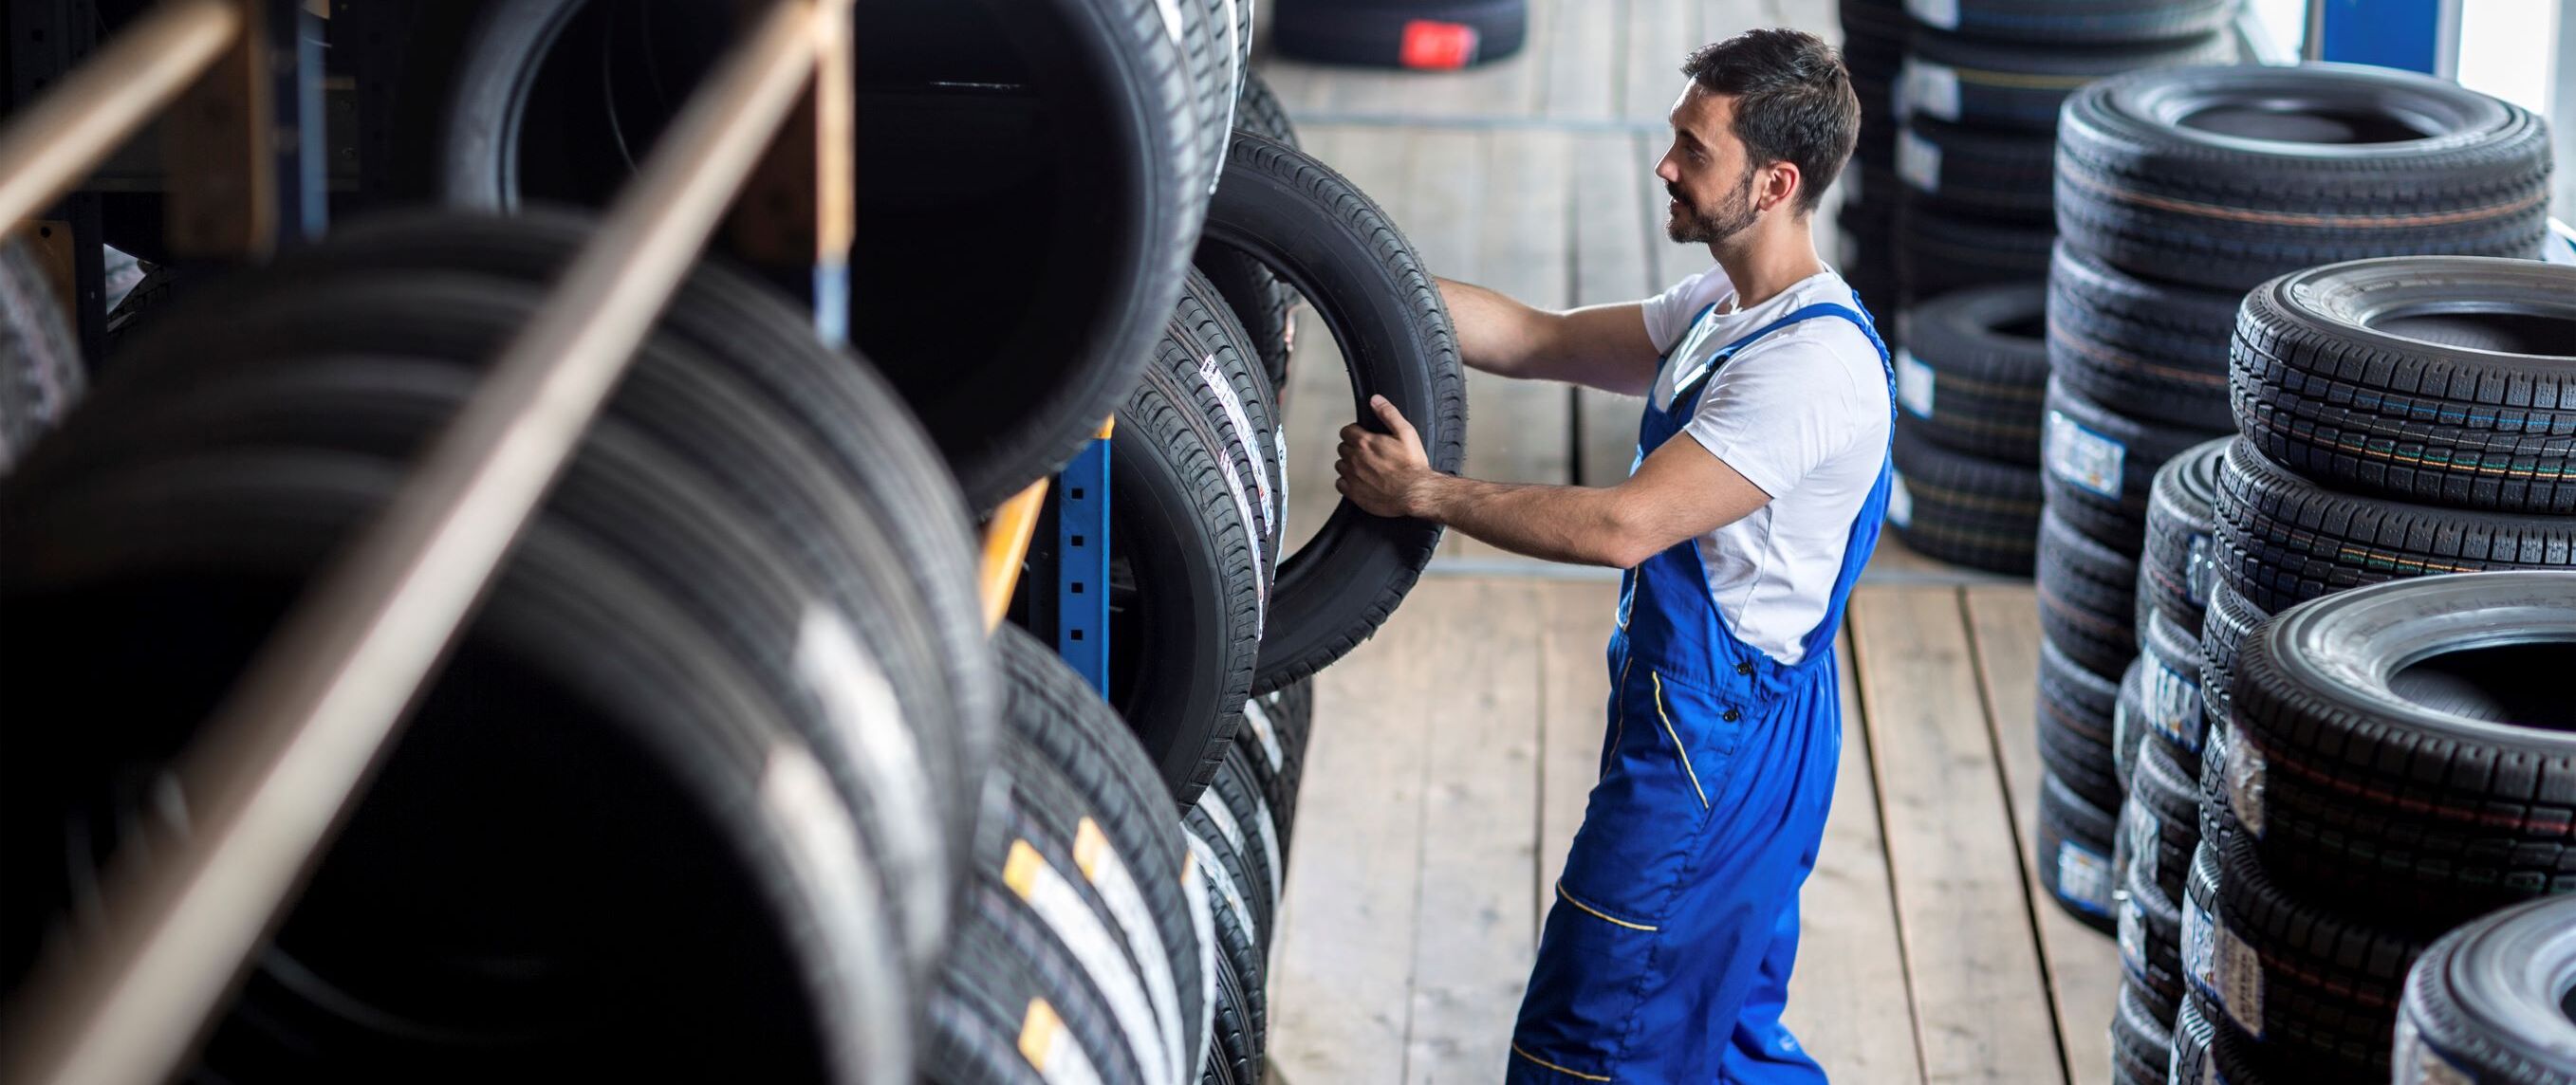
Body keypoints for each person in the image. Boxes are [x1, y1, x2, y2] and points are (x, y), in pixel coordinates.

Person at [1332, 27, 1885, 1084]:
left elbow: (1623, 526)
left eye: (1695, 150)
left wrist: (1423, 494)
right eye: (1674, 135)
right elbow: (1533, 339)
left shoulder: (1810, 366)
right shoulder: (1723, 312)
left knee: (1591, 1043)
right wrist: (1344, 266)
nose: (1666, 165)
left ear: (1774, 184)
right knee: (1715, 1037)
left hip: (1719, 754)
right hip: (1710, 724)